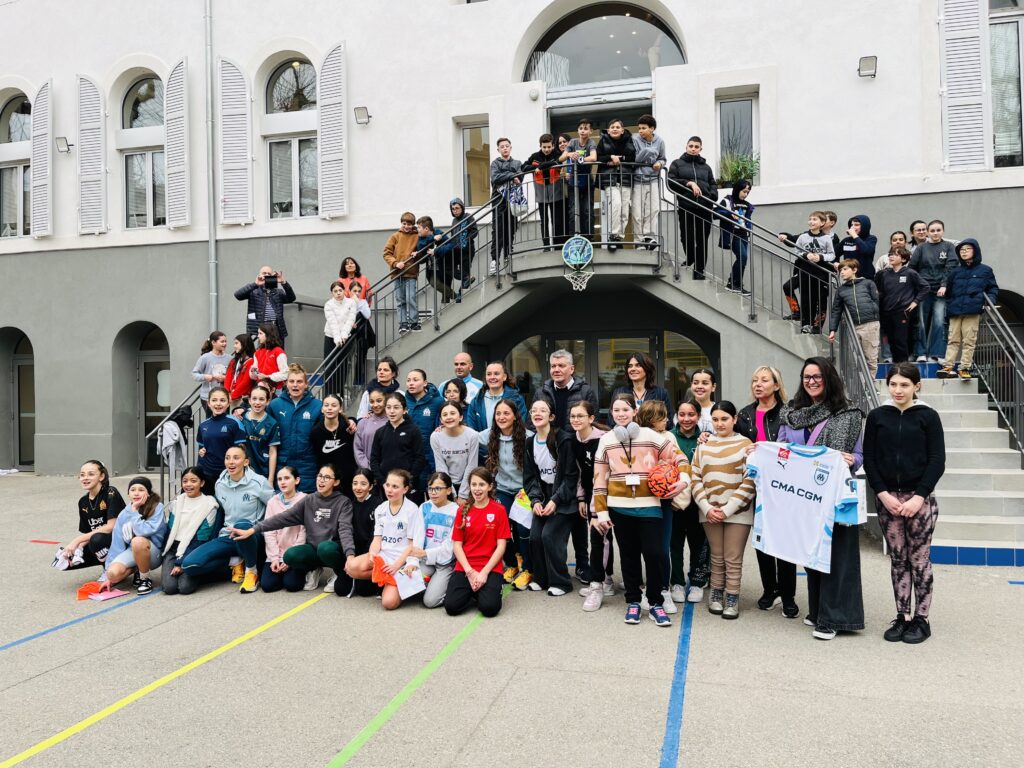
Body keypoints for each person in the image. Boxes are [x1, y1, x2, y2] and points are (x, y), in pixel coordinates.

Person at [777, 357, 864, 641]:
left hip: (834, 493)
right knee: (811, 552)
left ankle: (834, 617)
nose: (811, 382)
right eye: (807, 377)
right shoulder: (792, 412)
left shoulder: (847, 412)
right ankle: (817, 610)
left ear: (829, 378)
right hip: (803, 495)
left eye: (817, 377)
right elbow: (781, 445)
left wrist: (853, 459)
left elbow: (860, 454)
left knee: (836, 554)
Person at [864, 363, 946, 644]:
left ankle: (922, 619)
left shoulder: (928, 417)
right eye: (894, 384)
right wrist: (883, 494)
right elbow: (870, 459)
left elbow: (937, 460)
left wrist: (919, 496)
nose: (898, 390)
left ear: (916, 386)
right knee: (898, 559)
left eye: (905, 385)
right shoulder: (877, 417)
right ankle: (903, 616)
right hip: (888, 500)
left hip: (919, 500)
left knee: (919, 559)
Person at [593, 393, 689, 627]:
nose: (620, 414)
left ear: (634, 411)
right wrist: (601, 512)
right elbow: (599, 479)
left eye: (625, 410)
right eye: (616, 410)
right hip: (619, 508)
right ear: (611, 414)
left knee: (655, 553)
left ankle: (656, 602)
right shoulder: (606, 440)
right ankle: (633, 601)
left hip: (649, 506)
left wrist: (684, 479)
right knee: (629, 556)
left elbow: (680, 458)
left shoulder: (652, 436)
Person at [229, 461, 355, 594]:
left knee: (326, 550)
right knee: (290, 555)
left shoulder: (343, 502)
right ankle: (314, 569)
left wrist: (350, 555)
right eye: (319, 476)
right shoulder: (309, 500)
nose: (321, 480)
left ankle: (338, 571)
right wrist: (252, 530)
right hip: (313, 549)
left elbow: (345, 530)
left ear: (336, 482)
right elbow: (283, 518)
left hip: (330, 548)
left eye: (327, 477)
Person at [734, 367, 798, 617]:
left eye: (764, 380)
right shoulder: (745, 414)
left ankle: (788, 594)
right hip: (756, 485)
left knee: (785, 541)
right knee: (761, 540)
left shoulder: (789, 412)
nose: (758, 384)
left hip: (782, 484)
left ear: (776, 384)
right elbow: (733, 442)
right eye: (754, 380)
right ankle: (770, 589)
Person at [690, 401, 755, 620]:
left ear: (734, 419)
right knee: (716, 557)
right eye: (715, 419)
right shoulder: (703, 445)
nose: (719, 424)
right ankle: (716, 593)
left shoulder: (746, 444)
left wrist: (728, 509)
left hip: (738, 511)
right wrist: (707, 507)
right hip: (709, 511)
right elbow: (695, 476)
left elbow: (750, 480)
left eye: (724, 419)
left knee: (733, 557)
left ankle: (732, 596)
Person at [181, 446, 275, 593]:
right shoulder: (220, 484)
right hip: (228, 536)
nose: (231, 462)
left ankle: (252, 572)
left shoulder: (258, 482)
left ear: (246, 462)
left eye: (236, 458)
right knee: (189, 565)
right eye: (227, 457)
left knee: (242, 525)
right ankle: (233, 562)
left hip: (252, 536)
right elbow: (222, 513)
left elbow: (275, 508)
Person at [636, 400, 691, 614]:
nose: (668, 420)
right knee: (645, 547)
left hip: (664, 501)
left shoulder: (669, 438)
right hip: (640, 500)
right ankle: (647, 587)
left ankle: (663, 589)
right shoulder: (636, 438)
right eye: (663, 417)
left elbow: (678, 464)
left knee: (661, 547)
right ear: (652, 419)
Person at [523, 399, 581, 597]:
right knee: (536, 537)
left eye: (543, 410)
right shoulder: (530, 442)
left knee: (550, 536)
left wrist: (555, 500)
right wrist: (536, 500)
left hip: (565, 498)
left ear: (552, 416)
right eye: (534, 410)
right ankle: (541, 578)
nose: (537, 413)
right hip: (543, 495)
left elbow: (571, 476)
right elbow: (530, 477)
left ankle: (561, 582)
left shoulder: (563, 439)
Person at [344, 469, 424, 611]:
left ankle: (399, 580)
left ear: (405, 489)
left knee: (388, 603)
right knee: (351, 568)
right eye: (387, 485)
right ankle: (386, 579)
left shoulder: (412, 510)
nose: (389, 490)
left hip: (402, 560)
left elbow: (412, 546)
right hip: (384, 557)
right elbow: (377, 539)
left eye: (395, 486)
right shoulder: (380, 508)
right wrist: (372, 554)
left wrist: (395, 566)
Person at [482, 398, 534, 590]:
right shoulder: (490, 435)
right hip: (503, 489)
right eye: (498, 414)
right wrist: (442, 429)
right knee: (501, 530)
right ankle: (512, 564)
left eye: (506, 413)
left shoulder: (527, 437)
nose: (502, 417)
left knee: (522, 530)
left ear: (514, 416)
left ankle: (528, 568)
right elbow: (467, 435)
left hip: (523, 491)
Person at [444, 467, 510, 617]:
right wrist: (470, 572)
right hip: (466, 566)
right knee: (451, 607)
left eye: (482, 484)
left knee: (489, 608)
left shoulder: (499, 510)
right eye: (474, 485)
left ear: (490, 487)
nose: (477, 489)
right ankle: (474, 591)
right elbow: (457, 545)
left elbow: (501, 546)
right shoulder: (462, 510)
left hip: (490, 567)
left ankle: (482, 591)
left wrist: (484, 573)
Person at [571, 401, 614, 612]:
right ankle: (606, 579)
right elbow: (581, 472)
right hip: (589, 494)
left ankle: (599, 583)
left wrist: (597, 503)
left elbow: (605, 474)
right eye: (573, 416)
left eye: (580, 416)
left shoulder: (602, 440)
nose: (576, 420)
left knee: (600, 538)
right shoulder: (575, 440)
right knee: (602, 538)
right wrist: (581, 497)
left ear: (591, 418)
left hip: (605, 494)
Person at [937, 238, 998, 380]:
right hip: (955, 310)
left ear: (975, 251)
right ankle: (947, 367)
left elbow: (993, 288)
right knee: (953, 339)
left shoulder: (985, 270)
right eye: (961, 250)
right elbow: (950, 290)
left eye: (967, 249)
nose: (964, 252)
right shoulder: (955, 271)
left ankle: (964, 368)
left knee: (969, 341)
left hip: (973, 310)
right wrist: (950, 303)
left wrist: (990, 301)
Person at [669, 400, 710, 604]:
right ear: (677, 416)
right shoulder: (669, 437)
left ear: (699, 416)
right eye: (682, 414)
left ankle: (696, 580)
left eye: (691, 414)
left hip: (698, 501)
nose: (686, 419)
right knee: (674, 543)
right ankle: (676, 581)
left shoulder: (706, 439)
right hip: (674, 502)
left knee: (698, 544)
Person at [52, 460, 125, 572]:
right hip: (101, 545)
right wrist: (78, 548)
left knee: (97, 540)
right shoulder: (83, 502)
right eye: (82, 475)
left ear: (101, 476)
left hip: (122, 542)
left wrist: (77, 540)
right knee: (67, 559)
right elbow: (89, 533)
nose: (85, 478)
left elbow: (111, 526)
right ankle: (111, 568)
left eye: (91, 474)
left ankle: (115, 569)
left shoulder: (111, 493)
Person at [98, 476, 168, 594]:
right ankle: (138, 569)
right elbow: (117, 544)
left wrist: (135, 511)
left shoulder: (157, 508)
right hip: (134, 551)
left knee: (138, 541)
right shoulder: (124, 514)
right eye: (133, 490)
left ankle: (144, 578)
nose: (136, 493)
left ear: (148, 493)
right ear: (128, 493)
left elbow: (143, 531)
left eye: (141, 490)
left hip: (154, 554)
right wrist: (108, 577)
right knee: (113, 574)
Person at [161, 467, 222, 596]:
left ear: (202, 483)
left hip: (194, 550)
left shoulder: (210, 505)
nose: (188, 484)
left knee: (185, 588)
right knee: (169, 588)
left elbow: (201, 540)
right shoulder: (177, 502)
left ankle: (201, 572)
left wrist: (180, 563)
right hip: (173, 550)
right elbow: (170, 531)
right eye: (185, 481)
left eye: (193, 481)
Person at [667, 136, 718, 279]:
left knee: (702, 240)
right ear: (686, 147)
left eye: (696, 147)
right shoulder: (677, 164)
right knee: (686, 237)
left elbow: (713, 184)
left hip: (705, 208)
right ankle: (690, 258)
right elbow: (671, 181)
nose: (693, 149)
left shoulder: (706, 167)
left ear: (700, 149)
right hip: (686, 206)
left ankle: (699, 271)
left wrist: (712, 196)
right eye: (691, 146)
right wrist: (688, 183)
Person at [909, 219, 958, 361]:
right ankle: (921, 353)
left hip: (941, 291)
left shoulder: (949, 246)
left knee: (939, 321)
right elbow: (912, 268)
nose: (935, 233)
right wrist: (919, 285)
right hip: (924, 291)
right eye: (932, 231)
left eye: (938, 230)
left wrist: (944, 285)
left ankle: (937, 354)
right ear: (928, 233)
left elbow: (951, 267)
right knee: (921, 322)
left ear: (943, 231)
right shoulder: (921, 248)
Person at [270, 364, 323, 494]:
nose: (295, 385)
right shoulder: (275, 405)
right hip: (283, 465)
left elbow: (332, 422)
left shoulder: (318, 406)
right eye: (291, 381)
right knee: (284, 510)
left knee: (306, 510)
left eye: (299, 382)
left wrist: (351, 421)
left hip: (308, 467)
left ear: (306, 384)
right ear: (286, 383)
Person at [257, 466, 308, 593]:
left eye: (286, 478)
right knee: (267, 586)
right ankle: (279, 572)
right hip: (275, 554)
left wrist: (289, 558)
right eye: (279, 479)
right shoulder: (272, 502)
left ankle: (307, 570)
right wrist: (274, 558)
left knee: (292, 585)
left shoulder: (305, 499)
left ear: (296, 480)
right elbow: (269, 532)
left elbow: (303, 532)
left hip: (294, 553)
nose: (282, 482)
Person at [413, 471, 459, 608]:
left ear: (449, 490)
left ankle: (449, 587)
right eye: (430, 488)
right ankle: (432, 582)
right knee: (406, 586)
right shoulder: (424, 507)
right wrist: (413, 561)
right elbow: (418, 537)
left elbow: (450, 547)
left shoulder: (456, 511)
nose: (433, 492)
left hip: (446, 563)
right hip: (425, 560)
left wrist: (426, 553)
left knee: (430, 601)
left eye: (438, 488)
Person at [875, 247, 928, 364]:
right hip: (886, 311)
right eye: (890, 254)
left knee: (901, 340)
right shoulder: (883, 274)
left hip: (902, 312)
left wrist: (915, 302)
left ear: (903, 259)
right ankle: (896, 365)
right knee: (891, 340)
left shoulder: (910, 273)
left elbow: (925, 287)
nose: (891, 256)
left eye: (895, 255)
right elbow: (879, 291)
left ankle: (903, 366)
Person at [827, 259, 881, 375]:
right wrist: (832, 330)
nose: (842, 272)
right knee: (853, 359)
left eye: (845, 269)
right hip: (853, 327)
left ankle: (870, 387)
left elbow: (876, 301)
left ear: (854, 270)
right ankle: (859, 388)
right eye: (841, 270)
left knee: (871, 358)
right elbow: (836, 310)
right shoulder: (841, 290)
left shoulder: (867, 283)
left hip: (870, 325)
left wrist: (874, 315)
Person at [786, 211, 837, 334]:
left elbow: (832, 255)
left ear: (822, 223)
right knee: (806, 299)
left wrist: (820, 257)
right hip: (805, 272)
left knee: (820, 301)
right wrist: (805, 254)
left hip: (821, 274)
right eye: (810, 219)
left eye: (815, 219)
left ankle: (817, 326)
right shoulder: (803, 237)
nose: (811, 222)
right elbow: (796, 251)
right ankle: (805, 325)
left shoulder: (826, 238)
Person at [370, 392, 426, 501]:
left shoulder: (414, 430)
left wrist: (407, 481)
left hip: (408, 487)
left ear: (404, 410)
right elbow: (374, 459)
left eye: (396, 407)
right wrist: (383, 481)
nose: (392, 411)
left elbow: (420, 458)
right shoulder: (380, 432)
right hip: (386, 486)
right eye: (388, 407)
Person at [595, 118, 636, 251]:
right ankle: (613, 236)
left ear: (622, 130)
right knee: (616, 204)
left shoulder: (630, 140)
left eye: (617, 127)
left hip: (625, 179)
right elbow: (598, 157)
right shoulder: (603, 140)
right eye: (612, 127)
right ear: (608, 129)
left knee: (624, 211)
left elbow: (633, 157)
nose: (614, 129)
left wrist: (620, 159)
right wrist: (610, 157)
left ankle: (619, 237)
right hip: (610, 179)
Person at [344, 468, 385, 597]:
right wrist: (350, 557)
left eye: (363, 484)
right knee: (341, 589)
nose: (358, 487)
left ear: (371, 486)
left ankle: (383, 577)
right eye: (355, 483)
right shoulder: (349, 505)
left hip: (372, 553)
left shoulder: (379, 505)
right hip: (355, 553)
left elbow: (376, 536)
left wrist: (361, 559)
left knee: (364, 591)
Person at [522, 133, 566, 250]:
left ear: (552, 145)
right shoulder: (535, 156)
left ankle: (557, 246)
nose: (546, 149)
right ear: (540, 146)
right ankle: (546, 246)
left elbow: (559, 162)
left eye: (549, 147)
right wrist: (534, 168)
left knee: (557, 220)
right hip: (541, 193)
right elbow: (523, 167)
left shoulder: (558, 154)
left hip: (556, 191)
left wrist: (541, 167)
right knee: (544, 221)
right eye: (544, 147)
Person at [537, 349, 599, 431]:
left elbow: (594, 423)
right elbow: (532, 422)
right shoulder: (541, 392)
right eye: (553, 366)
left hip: (577, 442)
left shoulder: (586, 392)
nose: (556, 370)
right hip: (549, 442)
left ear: (572, 369)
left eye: (561, 366)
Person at [234, 266, 296, 346]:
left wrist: (284, 282)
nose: (266, 275)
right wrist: (255, 284)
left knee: (277, 353)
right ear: (259, 275)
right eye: (264, 273)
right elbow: (238, 295)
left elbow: (291, 298)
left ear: (272, 276)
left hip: (276, 328)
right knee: (261, 353)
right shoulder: (254, 290)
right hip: (261, 329)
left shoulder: (278, 292)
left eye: (269, 274)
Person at [196, 386, 246, 486]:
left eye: (222, 400)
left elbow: (242, 451)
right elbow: (201, 450)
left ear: (228, 402)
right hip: (207, 473)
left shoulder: (235, 423)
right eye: (214, 400)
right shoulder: (203, 425)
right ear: (209, 403)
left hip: (229, 473)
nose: (218, 403)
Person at [631, 114, 666, 250]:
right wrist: (648, 151)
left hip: (653, 180)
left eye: (643, 128)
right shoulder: (634, 139)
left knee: (653, 209)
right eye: (639, 128)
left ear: (652, 129)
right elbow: (636, 159)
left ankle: (649, 237)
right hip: (638, 180)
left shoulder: (660, 141)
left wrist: (659, 163)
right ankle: (639, 240)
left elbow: (663, 158)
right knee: (637, 212)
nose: (640, 131)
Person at [309, 394, 356, 494]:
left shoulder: (349, 428)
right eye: (326, 405)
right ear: (322, 409)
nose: (329, 408)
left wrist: (354, 421)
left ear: (340, 409)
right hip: (327, 481)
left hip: (348, 480)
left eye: (334, 405)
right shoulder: (316, 432)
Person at [433, 198, 479, 299]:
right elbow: (453, 235)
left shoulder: (468, 217)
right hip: (456, 250)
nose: (455, 211)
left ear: (462, 207)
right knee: (450, 268)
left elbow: (474, 231)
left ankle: (461, 296)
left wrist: (466, 240)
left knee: (465, 270)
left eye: (457, 208)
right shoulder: (454, 220)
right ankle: (465, 283)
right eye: (453, 209)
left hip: (467, 250)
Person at [383, 212, 421, 335]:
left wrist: (418, 253)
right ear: (401, 223)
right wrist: (395, 263)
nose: (406, 226)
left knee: (411, 298)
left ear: (413, 224)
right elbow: (386, 253)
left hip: (411, 272)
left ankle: (414, 322)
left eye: (409, 224)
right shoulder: (395, 236)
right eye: (404, 223)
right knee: (400, 300)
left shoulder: (417, 236)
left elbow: (424, 247)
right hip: (397, 273)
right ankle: (403, 323)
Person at [431, 401, 479, 499]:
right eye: (445, 415)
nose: (449, 417)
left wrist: (463, 494)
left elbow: (472, 465)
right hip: (446, 485)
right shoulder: (435, 437)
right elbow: (441, 467)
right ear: (441, 419)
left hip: (469, 484)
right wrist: (451, 492)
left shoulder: (472, 435)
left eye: (453, 413)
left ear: (460, 417)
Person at [559, 118, 598, 238]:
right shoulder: (573, 142)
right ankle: (574, 236)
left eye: (586, 128)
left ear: (590, 131)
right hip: (572, 181)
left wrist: (580, 159)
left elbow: (593, 157)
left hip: (587, 181)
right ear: (577, 130)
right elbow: (561, 158)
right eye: (581, 128)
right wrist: (570, 154)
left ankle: (589, 236)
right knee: (573, 211)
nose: (583, 131)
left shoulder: (591, 142)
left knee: (588, 210)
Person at [405, 369, 444, 487]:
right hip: (408, 455)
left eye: (415, 380)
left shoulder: (437, 401)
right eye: (408, 380)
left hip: (429, 455)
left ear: (425, 382)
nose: (411, 383)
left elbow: (440, 425)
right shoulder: (403, 401)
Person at [466, 360, 527, 433]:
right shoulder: (476, 401)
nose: (492, 377)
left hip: (510, 443)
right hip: (483, 443)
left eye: (496, 374)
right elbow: (471, 429)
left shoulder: (516, 399)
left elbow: (520, 424)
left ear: (504, 377)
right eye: (489, 374)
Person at [490, 137, 523, 271]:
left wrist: (509, 176)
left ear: (510, 147)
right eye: (502, 146)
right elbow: (495, 178)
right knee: (497, 230)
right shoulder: (495, 163)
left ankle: (507, 255)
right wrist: (511, 176)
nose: (505, 148)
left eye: (507, 146)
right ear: (498, 149)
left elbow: (520, 176)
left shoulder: (517, 162)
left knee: (511, 228)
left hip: (513, 200)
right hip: (498, 201)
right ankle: (494, 260)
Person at [323, 279, 359, 395]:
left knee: (343, 365)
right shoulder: (328, 304)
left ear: (344, 291)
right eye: (335, 291)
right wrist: (337, 338)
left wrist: (343, 335)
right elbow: (332, 323)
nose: (338, 293)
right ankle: (329, 393)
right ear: (332, 293)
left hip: (345, 337)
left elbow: (350, 320)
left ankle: (339, 393)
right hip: (331, 337)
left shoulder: (351, 303)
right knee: (329, 365)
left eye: (340, 290)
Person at [241, 383, 280, 484]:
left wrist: (271, 479)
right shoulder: (241, 419)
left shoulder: (272, 423)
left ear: (268, 401)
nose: (257, 402)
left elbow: (272, 452)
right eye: (254, 399)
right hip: (243, 471)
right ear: (249, 400)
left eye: (261, 399)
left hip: (263, 471)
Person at [721, 179, 755, 295]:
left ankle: (737, 284)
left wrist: (749, 230)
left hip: (743, 234)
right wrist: (730, 214)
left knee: (743, 260)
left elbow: (748, 219)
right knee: (743, 256)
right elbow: (716, 212)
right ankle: (733, 283)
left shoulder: (747, 205)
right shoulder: (728, 200)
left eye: (747, 192)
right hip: (733, 234)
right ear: (737, 189)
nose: (745, 194)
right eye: (744, 191)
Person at [191, 331, 230, 417]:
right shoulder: (205, 357)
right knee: (212, 421)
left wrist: (225, 378)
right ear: (213, 342)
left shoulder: (229, 358)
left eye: (225, 341)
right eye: (222, 341)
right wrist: (206, 376)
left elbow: (233, 377)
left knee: (224, 421)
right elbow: (194, 374)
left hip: (224, 397)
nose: (224, 344)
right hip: (208, 397)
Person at [419, 215, 455, 305]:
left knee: (445, 289)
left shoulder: (439, 233)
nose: (417, 230)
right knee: (434, 283)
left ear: (426, 228)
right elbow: (419, 246)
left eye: (419, 227)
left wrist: (437, 250)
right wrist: (432, 238)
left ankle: (446, 309)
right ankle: (455, 296)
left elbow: (450, 245)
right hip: (432, 268)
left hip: (444, 266)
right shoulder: (421, 237)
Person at [250, 323, 288, 392]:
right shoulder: (257, 353)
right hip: (260, 388)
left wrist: (268, 376)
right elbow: (254, 376)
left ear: (268, 334)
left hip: (276, 389)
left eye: (260, 333)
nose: (258, 336)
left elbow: (285, 374)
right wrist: (253, 372)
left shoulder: (278, 351)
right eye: (258, 333)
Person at [837, 215, 878, 281]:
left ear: (865, 226)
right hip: (849, 277)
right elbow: (834, 253)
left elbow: (866, 250)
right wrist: (836, 263)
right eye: (851, 225)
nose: (853, 227)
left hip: (866, 278)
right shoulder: (846, 240)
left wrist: (855, 236)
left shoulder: (871, 239)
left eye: (856, 225)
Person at [354, 389, 387, 469]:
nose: (375, 405)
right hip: (367, 472)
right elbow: (358, 449)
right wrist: (368, 467)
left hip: (387, 472)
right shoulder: (363, 422)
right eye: (372, 401)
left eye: (379, 401)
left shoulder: (392, 422)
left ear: (386, 401)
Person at [224, 334, 255, 408]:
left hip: (243, 399)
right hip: (231, 397)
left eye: (236, 343)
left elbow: (246, 382)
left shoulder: (252, 361)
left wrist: (232, 396)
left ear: (244, 344)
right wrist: (226, 393)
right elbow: (228, 377)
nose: (234, 346)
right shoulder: (234, 361)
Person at [689, 367, 717, 435]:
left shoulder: (719, 410)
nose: (699, 386)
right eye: (695, 383)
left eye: (705, 383)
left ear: (713, 387)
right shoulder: (683, 410)